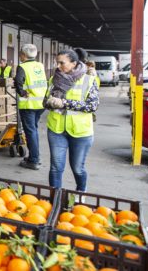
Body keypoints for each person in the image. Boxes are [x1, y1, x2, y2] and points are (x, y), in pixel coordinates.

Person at [43, 49, 99, 192]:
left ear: (74, 63)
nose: (58, 66)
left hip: (80, 133)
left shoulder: (88, 80)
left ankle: (81, 193)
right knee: (56, 167)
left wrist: (64, 103)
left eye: (62, 63)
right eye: (57, 63)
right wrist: (50, 102)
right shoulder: (53, 79)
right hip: (56, 130)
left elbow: (92, 106)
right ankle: (55, 198)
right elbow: (44, 102)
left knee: (77, 168)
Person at [14, 44, 48, 170]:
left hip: (29, 104)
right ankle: (34, 156)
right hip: (41, 104)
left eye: (20, 54)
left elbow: (18, 81)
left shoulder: (22, 67)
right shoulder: (40, 65)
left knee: (30, 131)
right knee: (33, 129)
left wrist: (22, 92)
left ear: (23, 55)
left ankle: (34, 160)